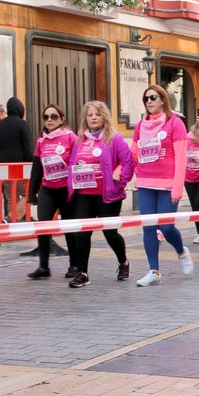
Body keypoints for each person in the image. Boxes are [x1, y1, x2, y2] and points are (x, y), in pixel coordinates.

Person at [132, 84, 194, 286]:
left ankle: (181, 251)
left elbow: (181, 157)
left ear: (163, 100)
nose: (149, 101)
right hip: (145, 183)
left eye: (153, 97)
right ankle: (154, 271)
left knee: (166, 228)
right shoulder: (140, 126)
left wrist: (178, 188)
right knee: (149, 227)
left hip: (168, 184)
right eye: (146, 98)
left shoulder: (175, 123)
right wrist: (126, 173)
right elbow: (133, 153)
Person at [66, 101, 133, 287]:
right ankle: (82, 273)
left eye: (97, 114)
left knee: (110, 233)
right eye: (89, 115)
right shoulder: (80, 139)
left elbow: (127, 160)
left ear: (104, 116)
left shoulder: (114, 138)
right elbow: (72, 164)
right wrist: (72, 183)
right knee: (82, 234)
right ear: (85, 119)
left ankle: (123, 262)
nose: (93, 117)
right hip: (84, 194)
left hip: (108, 195)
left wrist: (121, 180)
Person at [26, 104, 77, 279]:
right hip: (48, 190)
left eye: (53, 117)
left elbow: (78, 162)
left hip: (66, 190)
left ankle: (74, 265)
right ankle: (43, 266)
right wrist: (32, 193)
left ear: (62, 119)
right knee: (43, 227)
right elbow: (36, 169)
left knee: (69, 228)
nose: (49, 120)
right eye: (46, 117)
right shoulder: (41, 141)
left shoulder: (71, 137)